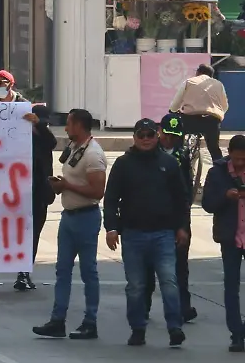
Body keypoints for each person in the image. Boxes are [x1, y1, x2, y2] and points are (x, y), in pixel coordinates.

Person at [103, 118, 190, 347]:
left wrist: (182, 227)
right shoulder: (123, 164)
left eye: (149, 135)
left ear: (157, 136)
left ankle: (175, 327)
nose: (145, 139)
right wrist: (111, 228)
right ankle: (138, 329)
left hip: (163, 234)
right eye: (140, 135)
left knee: (169, 282)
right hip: (132, 235)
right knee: (136, 286)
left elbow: (181, 199)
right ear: (134, 137)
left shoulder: (169, 163)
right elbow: (111, 199)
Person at [33, 109, 107, 340]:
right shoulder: (74, 148)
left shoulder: (93, 155)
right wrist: (59, 186)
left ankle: (90, 321)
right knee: (62, 270)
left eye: (68, 124)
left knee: (88, 271)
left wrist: (67, 186)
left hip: (86, 216)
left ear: (79, 126)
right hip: (68, 217)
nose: (65, 128)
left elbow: (98, 191)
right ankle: (58, 320)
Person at [143, 112, 198, 323]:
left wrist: (184, 222)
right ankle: (144, 307)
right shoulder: (149, 151)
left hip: (176, 217)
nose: (170, 139)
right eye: (167, 134)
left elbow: (186, 189)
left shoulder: (183, 155)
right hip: (153, 218)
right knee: (148, 268)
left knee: (180, 267)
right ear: (159, 131)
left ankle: (183, 307)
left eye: (175, 136)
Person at [200, 134, 245, 351]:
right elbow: (207, 204)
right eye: (236, 159)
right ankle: (236, 333)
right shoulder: (217, 173)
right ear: (229, 155)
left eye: (244, 160)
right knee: (231, 285)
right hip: (230, 237)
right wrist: (225, 196)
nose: (239, 164)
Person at [18, 104, 57, 292]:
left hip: (39, 194)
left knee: (34, 234)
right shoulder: (20, 136)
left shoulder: (43, 137)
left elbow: (52, 143)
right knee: (22, 234)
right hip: (20, 194)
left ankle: (24, 272)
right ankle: (21, 271)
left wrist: (39, 126)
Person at [169, 63, 228, 161]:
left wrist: (173, 110)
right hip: (211, 121)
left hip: (190, 120)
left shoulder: (189, 81)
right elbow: (224, 106)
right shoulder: (218, 84)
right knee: (214, 149)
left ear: (198, 72)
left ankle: (178, 158)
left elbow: (176, 102)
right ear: (211, 75)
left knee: (178, 141)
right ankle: (220, 170)